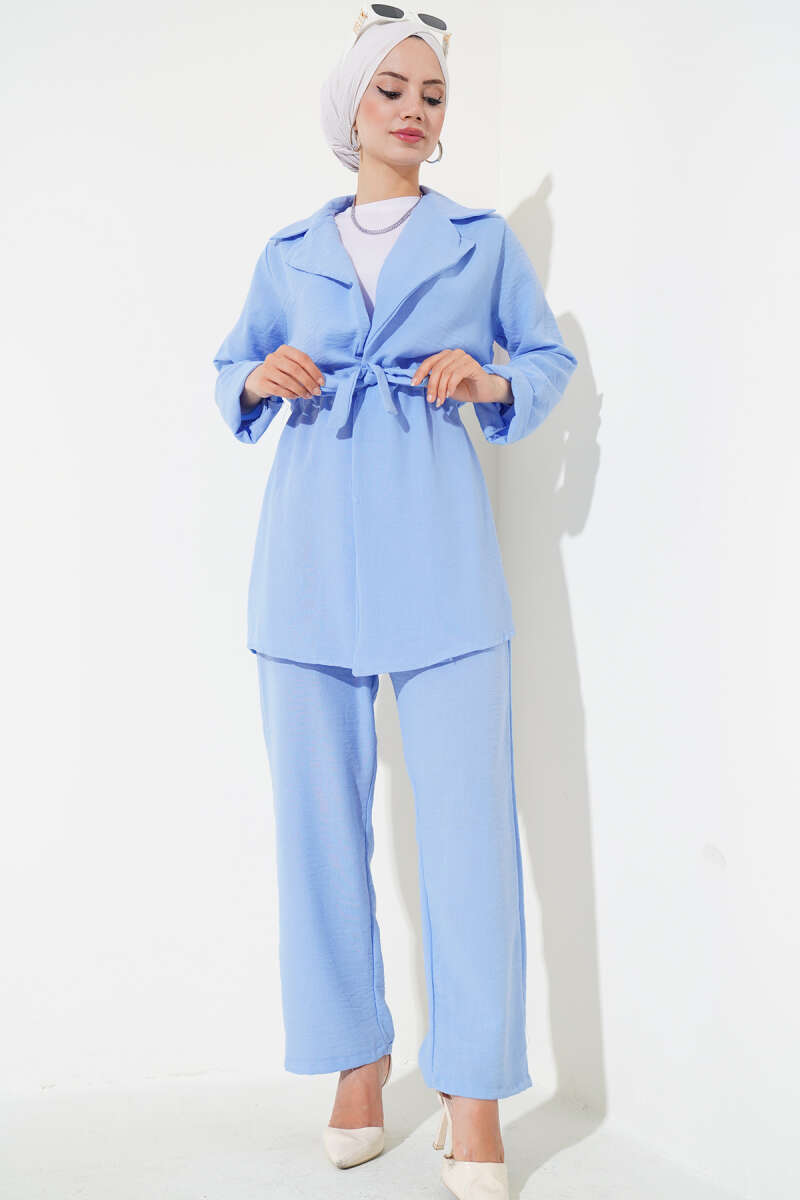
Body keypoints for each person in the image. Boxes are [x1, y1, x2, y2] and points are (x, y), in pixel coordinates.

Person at [212, 9, 578, 1197]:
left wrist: (490, 380)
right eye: (392, 91)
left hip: (439, 552)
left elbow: (543, 359)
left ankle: (473, 1092)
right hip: (306, 560)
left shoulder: (478, 243)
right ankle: (355, 1063)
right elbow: (231, 368)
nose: (414, 110)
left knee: (470, 836)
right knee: (317, 833)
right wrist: (256, 378)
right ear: (351, 106)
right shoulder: (288, 252)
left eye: (432, 94)